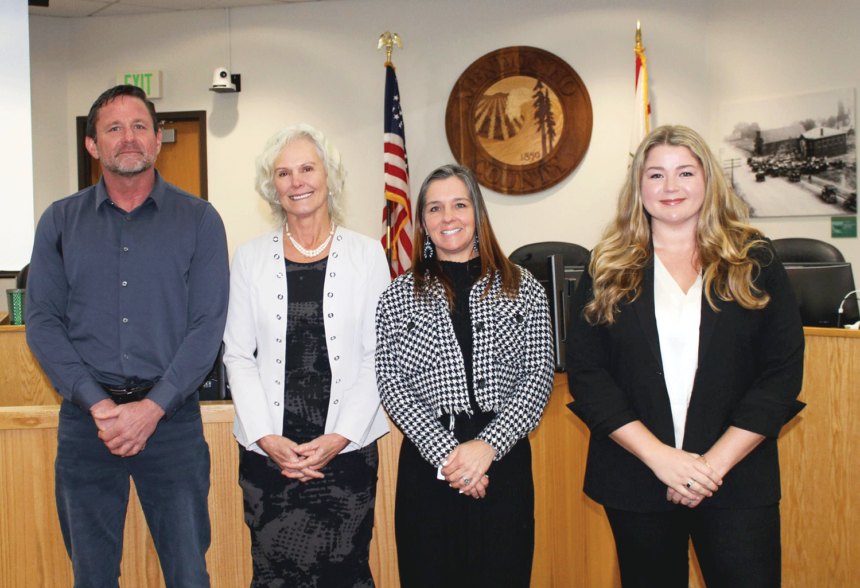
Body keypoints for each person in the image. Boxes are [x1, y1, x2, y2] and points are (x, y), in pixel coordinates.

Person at [567, 125, 805, 588]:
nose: (670, 187)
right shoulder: (606, 265)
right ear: (638, 186)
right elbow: (588, 375)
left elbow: (781, 373)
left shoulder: (754, 259)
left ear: (708, 179)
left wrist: (709, 468)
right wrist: (661, 459)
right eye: (656, 175)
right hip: (638, 477)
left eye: (685, 172)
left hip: (736, 478)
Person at [25, 84, 228, 588]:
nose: (129, 137)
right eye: (113, 128)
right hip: (86, 426)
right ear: (92, 144)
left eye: (140, 126)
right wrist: (98, 405)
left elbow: (208, 326)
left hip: (172, 422)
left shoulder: (200, 220)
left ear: (158, 139)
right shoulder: (59, 221)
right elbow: (42, 323)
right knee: (91, 576)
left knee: (188, 573)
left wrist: (152, 408)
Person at [222, 124, 390, 588]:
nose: (296, 181)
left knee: (345, 572)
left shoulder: (367, 255)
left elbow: (378, 354)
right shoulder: (249, 258)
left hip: (345, 451)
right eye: (283, 173)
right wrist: (265, 437)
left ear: (328, 176)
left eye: (307, 169)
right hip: (271, 454)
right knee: (274, 575)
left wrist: (339, 436)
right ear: (272, 186)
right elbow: (238, 354)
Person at [375, 164, 554, 588]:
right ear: (422, 222)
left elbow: (538, 374)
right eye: (435, 208)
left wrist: (487, 447)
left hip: (503, 461)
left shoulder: (523, 287)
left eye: (459, 204)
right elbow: (392, 384)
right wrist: (449, 457)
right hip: (429, 465)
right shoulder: (397, 296)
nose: (448, 217)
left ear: (478, 213)